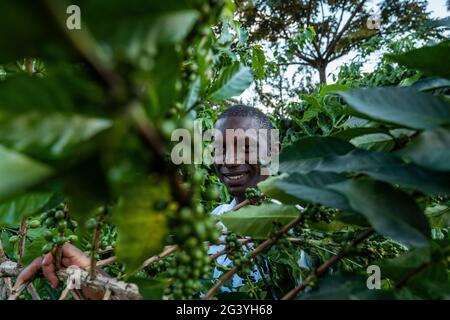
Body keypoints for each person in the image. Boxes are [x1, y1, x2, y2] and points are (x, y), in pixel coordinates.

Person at [14, 105, 289, 298]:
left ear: (274, 151)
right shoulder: (217, 220)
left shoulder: (300, 219)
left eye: (246, 147)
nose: (229, 160)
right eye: (220, 149)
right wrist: (88, 273)